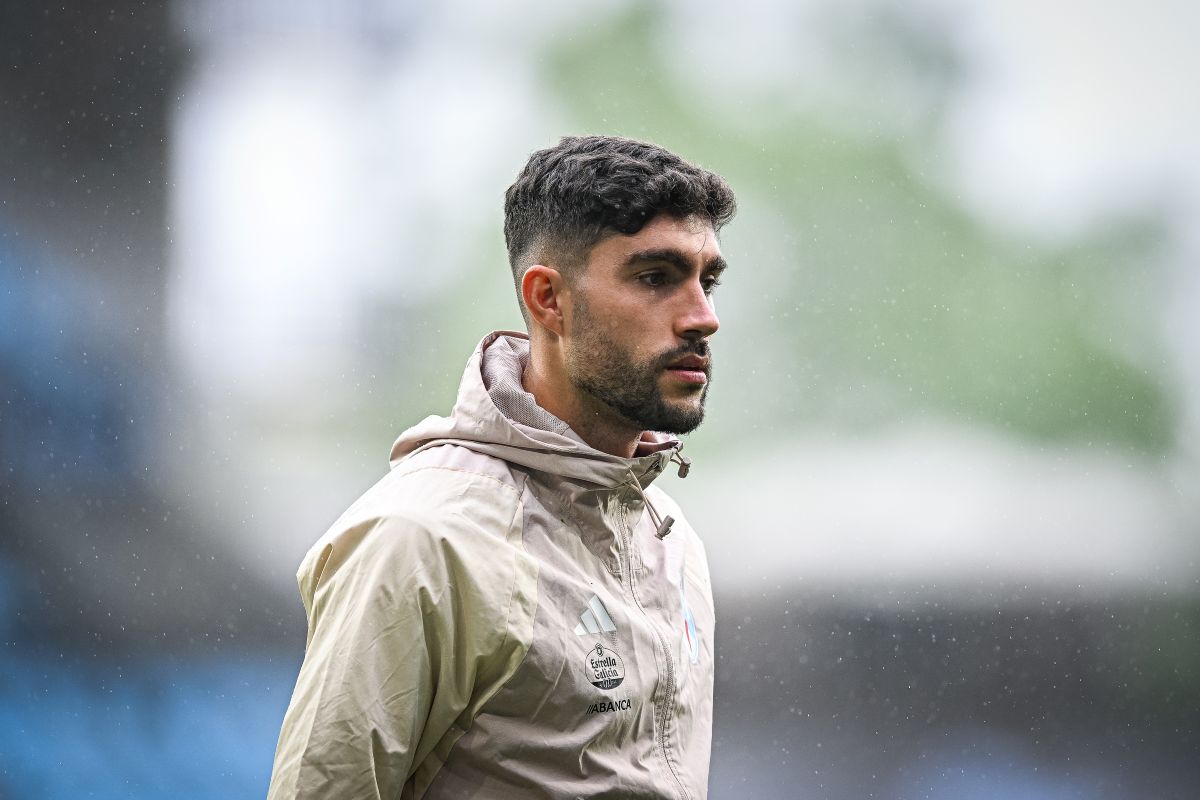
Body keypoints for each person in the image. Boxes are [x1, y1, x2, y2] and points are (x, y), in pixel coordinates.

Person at [267, 135, 737, 800]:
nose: (703, 318)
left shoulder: (671, 538)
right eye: (656, 277)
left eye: (706, 281)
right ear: (548, 299)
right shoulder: (420, 538)